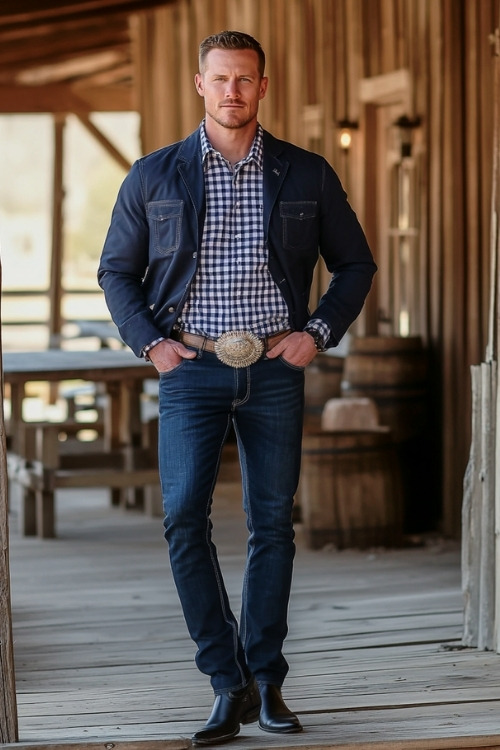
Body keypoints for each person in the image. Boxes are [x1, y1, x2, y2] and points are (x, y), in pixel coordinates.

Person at [98, 30, 376, 746]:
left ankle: (269, 679)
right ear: (200, 84)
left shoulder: (306, 173)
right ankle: (227, 683)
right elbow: (115, 273)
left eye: (245, 80)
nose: (232, 92)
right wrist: (152, 344)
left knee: (272, 527)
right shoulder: (153, 176)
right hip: (190, 369)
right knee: (184, 519)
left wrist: (315, 333)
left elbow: (355, 265)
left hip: (276, 371)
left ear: (263, 85)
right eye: (220, 79)